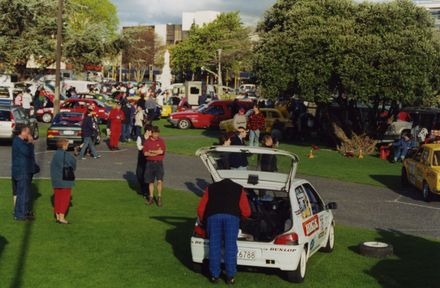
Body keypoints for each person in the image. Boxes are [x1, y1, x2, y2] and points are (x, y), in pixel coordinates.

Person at [197, 179, 251, 284]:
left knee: (214, 246)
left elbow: (200, 209)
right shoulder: (239, 189)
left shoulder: (210, 188)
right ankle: (230, 276)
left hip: (213, 217)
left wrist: (204, 221)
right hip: (232, 218)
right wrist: (241, 218)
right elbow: (247, 212)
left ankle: (214, 276)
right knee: (230, 247)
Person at [11, 126, 35, 221]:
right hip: (22, 171)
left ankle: (18, 213)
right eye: (28, 133)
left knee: (20, 194)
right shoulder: (19, 141)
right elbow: (27, 152)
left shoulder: (18, 141)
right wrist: (30, 143)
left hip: (19, 170)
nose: (29, 135)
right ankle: (22, 214)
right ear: (23, 132)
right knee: (23, 194)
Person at [50, 138, 77, 224]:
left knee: (57, 198)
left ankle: (57, 215)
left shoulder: (55, 154)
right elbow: (73, 165)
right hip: (65, 180)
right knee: (65, 199)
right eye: (67, 145)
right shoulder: (67, 155)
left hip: (56, 180)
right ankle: (62, 217)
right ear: (64, 145)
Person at [143, 126, 166, 206]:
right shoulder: (147, 142)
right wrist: (156, 152)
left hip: (159, 163)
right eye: (155, 134)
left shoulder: (161, 141)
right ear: (151, 133)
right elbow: (145, 153)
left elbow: (161, 151)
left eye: (158, 134)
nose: (157, 135)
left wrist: (152, 151)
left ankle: (159, 197)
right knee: (150, 182)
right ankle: (151, 198)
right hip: (149, 163)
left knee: (160, 180)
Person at [136, 126, 152, 200]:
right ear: (147, 131)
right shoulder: (140, 137)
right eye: (150, 131)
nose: (151, 133)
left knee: (147, 175)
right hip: (141, 158)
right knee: (140, 174)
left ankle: (147, 191)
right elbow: (139, 147)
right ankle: (142, 188)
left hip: (149, 159)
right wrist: (146, 147)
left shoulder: (151, 139)